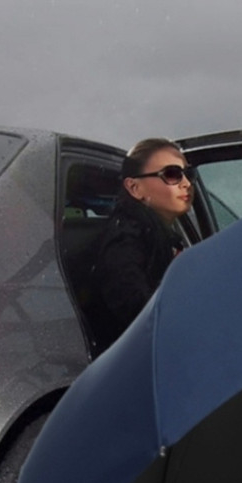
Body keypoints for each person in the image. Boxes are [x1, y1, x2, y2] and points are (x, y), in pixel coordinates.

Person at [91, 138, 196, 353]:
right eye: (172, 174)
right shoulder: (125, 242)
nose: (186, 183)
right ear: (134, 187)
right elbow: (141, 318)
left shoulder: (158, 235)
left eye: (188, 174)